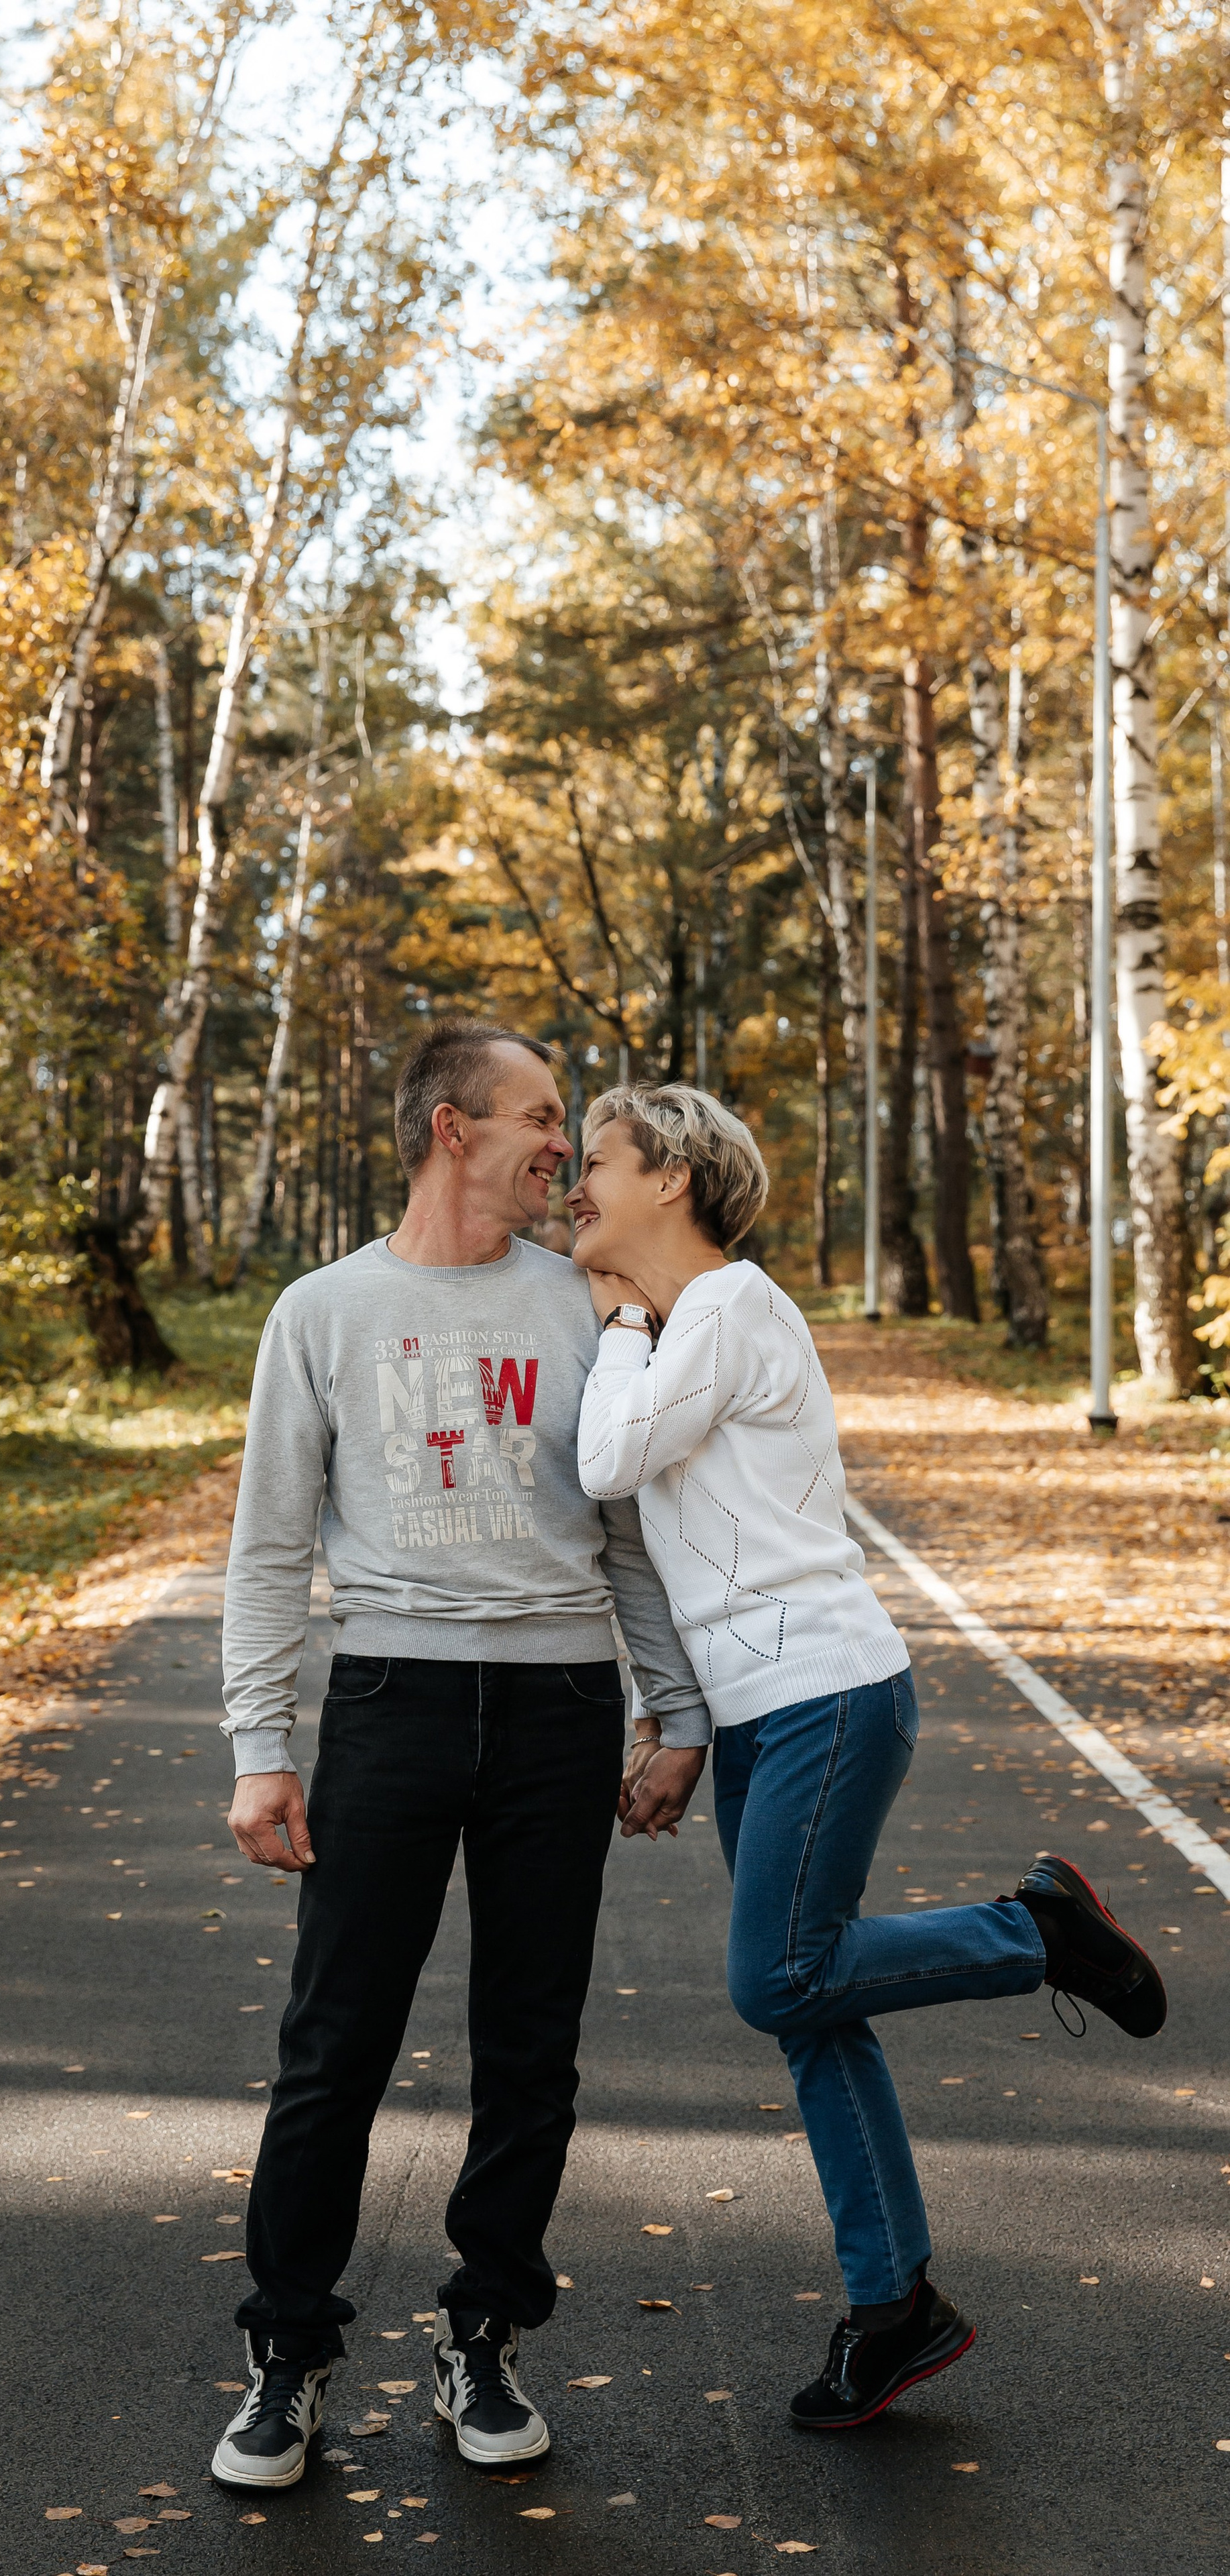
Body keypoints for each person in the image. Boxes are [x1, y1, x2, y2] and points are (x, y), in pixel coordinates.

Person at [567, 1079, 1166, 2432]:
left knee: (778, 1976)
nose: (575, 1187)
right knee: (812, 2010)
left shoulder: (721, 1307)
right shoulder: (687, 1324)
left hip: (825, 1692)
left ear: (669, 1178)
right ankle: (892, 2306)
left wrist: (615, 1323)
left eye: (596, 1160)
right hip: (766, 1708)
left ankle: (1036, 1932)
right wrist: (679, 1723)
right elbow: (669, 1559)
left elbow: (607, 1460)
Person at [209, 1022, 709, 2492]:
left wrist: (673, 1715)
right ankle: (288, 2353)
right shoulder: (322, 1311)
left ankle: (484, 2335)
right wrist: (259, 1746)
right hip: (390, 1700)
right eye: (540, 1116)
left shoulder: (591, 1309)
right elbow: (267, 1549)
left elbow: (633, 1538)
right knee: (333, 2044)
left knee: (528, 2049)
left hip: (558, 1709)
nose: (563, 1144)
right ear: (453, 1128)